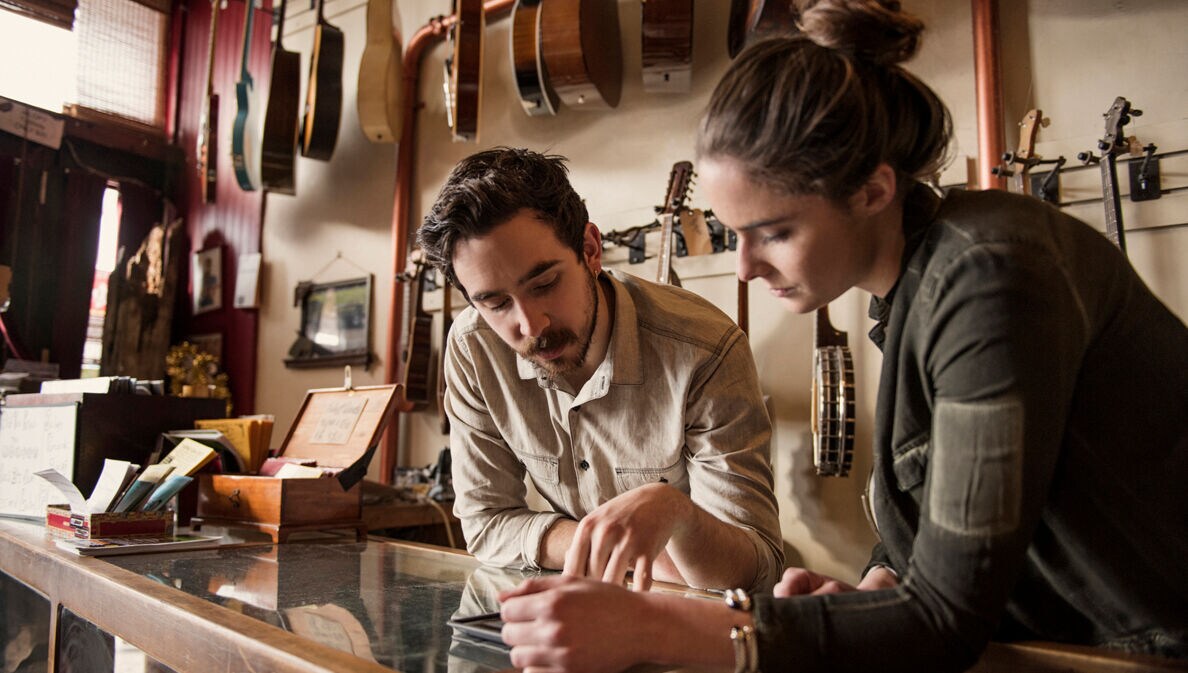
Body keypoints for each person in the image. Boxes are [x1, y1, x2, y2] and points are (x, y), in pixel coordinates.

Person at [496, 1, 1188, 671]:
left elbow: (945, 621)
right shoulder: (923, 286)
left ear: (872, 191)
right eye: (736, 234)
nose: (745, 266)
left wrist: (658, 625)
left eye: (776, 232)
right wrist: (875, 589)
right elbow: (953, 532)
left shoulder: (992, 278)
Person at [416, 147, 784, 594]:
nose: (531, 326)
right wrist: (619, 549)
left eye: (545, 284)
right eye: (495, 304)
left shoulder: (706, 350)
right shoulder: (474, 347)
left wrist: (676, 514)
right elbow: (486, 524)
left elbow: (754, 568)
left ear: (590, 250)